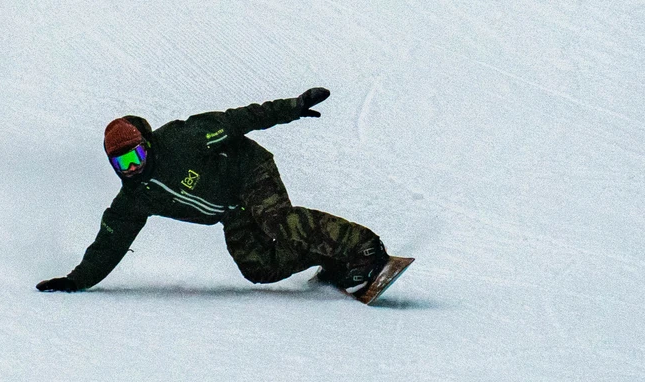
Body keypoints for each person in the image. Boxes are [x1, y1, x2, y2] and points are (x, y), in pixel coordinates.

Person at [36, 87, 403, 301]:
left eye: (136, 155)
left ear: (147, 144)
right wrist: (76, 281)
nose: (131, 167)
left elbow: (237, 119)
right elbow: (109, 244)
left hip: (249, 172)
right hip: (231, 210)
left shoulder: (183, 138)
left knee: (276, 219)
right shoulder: (133, 200)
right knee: (258, 269)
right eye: (121, 163)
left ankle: (363, 249)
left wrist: (290, 108)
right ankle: (333, 259)